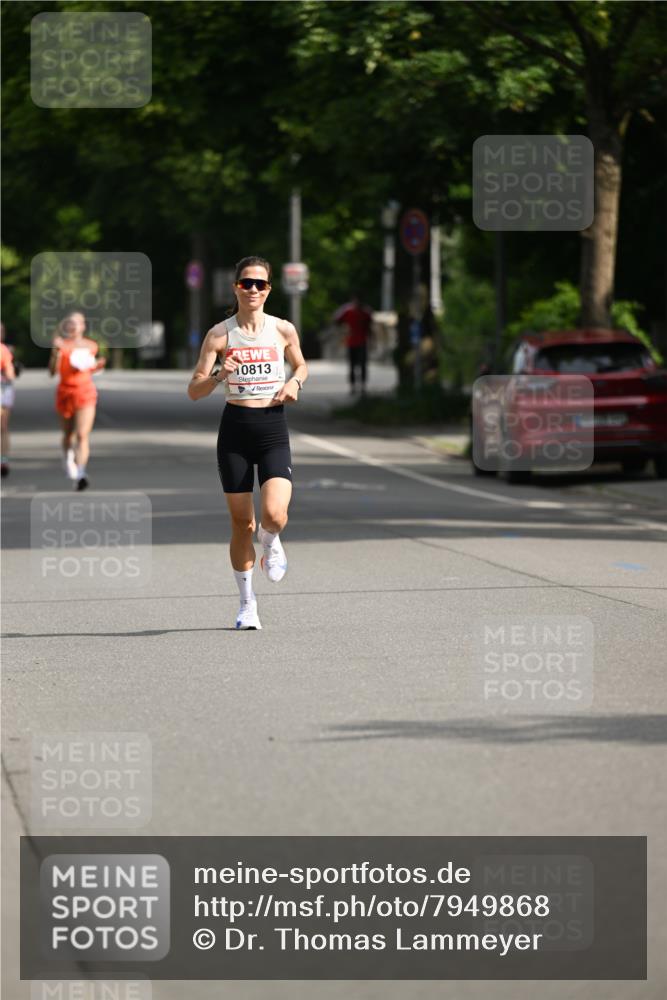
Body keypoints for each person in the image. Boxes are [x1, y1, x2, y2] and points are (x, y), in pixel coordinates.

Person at [188, 255, 308, 630]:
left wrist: (294, 382)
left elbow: (302, 365)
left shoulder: (283, 330)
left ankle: (271, 542)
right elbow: (194, 390)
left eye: (260, 283)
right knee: (242, 524)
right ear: (236, 287)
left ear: (269, 289)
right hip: (235, 432)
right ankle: (247, 605)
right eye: (246, 283)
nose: (253, 289)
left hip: (272, 429)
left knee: (273, 516)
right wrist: (220, 375)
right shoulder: (219, 335)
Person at [48, 310, 106, 491]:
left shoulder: (91, 346)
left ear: (83, 326)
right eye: (70, 323)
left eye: (77, 323)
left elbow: (89, 368)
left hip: (85, 392)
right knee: (68, 435)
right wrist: (56, 354)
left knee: (82, 435)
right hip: (65, 392)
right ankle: (68, 458)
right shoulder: (61, 346)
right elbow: (52, 372)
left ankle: (81, 473)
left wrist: (98, 366)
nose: (74, 326)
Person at [333, 294, 373, 394]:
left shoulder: (349, 311)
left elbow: (336, 320)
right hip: (356, 341)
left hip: (356, 341)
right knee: (358, 365)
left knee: (356, 365)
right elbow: (370, 328)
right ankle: (358, 387)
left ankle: (357, 387)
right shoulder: (361, 312)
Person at [1, 323, 16, 478]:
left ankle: (3, 459)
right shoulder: (4, 350)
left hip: (2, 390)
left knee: (3, 426)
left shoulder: (3, 350)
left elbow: (10, 374)